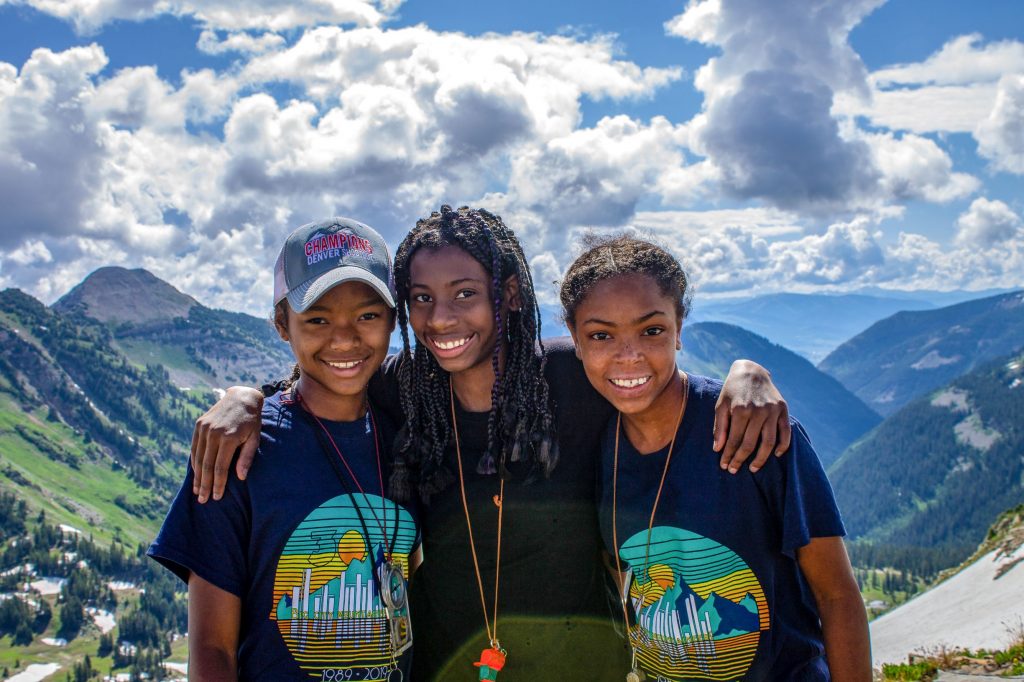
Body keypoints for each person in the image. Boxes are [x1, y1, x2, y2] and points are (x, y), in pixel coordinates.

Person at [189, 206, 792, 680]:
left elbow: (647, 373)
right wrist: (247, 398)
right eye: (421, 299)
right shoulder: (403, 394)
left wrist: (747, 375)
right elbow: (325, 379)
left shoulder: (572, 382)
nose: (441, 319)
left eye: (465, 294)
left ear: (505, 293)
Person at [561, 235, 871, 681]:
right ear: (575, 337)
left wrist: (751, 369)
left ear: (680, 327)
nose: (628, 356)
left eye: (651, 331)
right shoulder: (594, 444)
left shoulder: (754, 432)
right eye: (601, 335)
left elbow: (837, 597)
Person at [148, 217, 421, 681]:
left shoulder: (409, 436)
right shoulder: (239, 453)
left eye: (368, 315)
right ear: (281, 324)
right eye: (317, 319)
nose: (345, 338)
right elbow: (212, 649)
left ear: (394, 320)